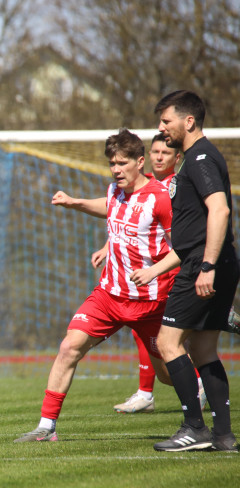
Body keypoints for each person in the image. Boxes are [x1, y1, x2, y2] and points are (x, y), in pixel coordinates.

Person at [16, 129, 175, 443]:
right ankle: (46, 428)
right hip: (109, 296)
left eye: (122, 162)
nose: (115, 169)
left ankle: (201, 411)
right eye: (112, 163)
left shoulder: (160, 197)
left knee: (169, 375)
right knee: (68, 348)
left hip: (150, 302)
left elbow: (183, 245)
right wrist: (74, 203)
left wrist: (155, 270)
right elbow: (110, 208)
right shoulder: (115, 191)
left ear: (140, 162)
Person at [129, 90, 238, 452]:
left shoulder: (200, 158)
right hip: (210, 263)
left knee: (168, 342)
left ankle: (194, 427)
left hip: (202, 267)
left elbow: (219, 211)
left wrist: (206, 265)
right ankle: (223, 435)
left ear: (188, 121)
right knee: (204, 348)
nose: (162, 127)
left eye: (166, 121)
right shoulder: (195, 159)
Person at [89, 134, 207, 414]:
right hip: (150, 276)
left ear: (177, 158)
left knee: (178, 342)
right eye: (155, 151)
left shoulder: (174, 188)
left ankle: (201, 392)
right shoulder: (138, 189)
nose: (158, 156)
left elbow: (184, 237)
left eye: (165, 152)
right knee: (153, 338)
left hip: (170, 274)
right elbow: (128, 223)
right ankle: (151, 392)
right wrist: (109, 245)